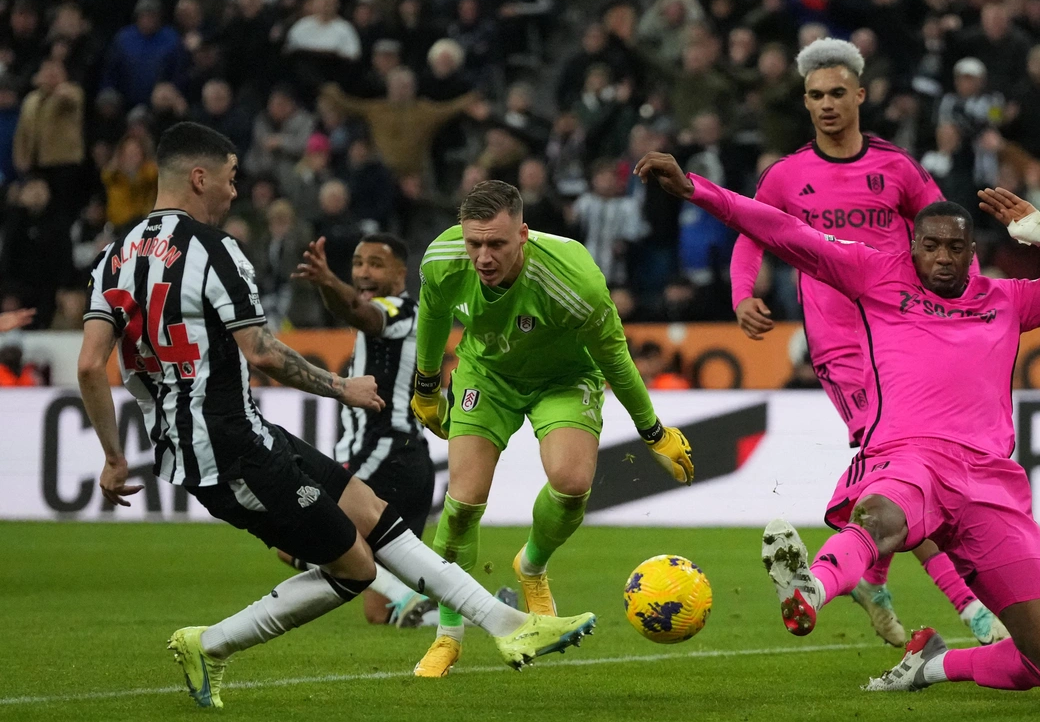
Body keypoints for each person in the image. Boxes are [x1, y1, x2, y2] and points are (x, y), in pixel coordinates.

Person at [76, 123, 596, 709]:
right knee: (356, 568)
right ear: (199, 178)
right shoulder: (214, 252)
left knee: (371, 512)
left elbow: (92, 366)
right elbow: (263, 352)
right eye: (229, 178)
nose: (233, 192)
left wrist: (115, 456)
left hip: (237, 434)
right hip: (225, 449)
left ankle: (508, 625)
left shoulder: (111, 258)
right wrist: (340, 387)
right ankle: (211, 644)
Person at [634, 149, 1040, 693]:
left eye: (955, 248)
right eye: (930, 245)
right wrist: (696, 189)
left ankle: (930, 665)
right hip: (909, 457)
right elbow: (782, 228)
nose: (942, 258)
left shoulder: (1006, 299)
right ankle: (810, 589)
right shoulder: (875, 274)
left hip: (990, 483)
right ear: (912, 246)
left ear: (972, 253)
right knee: (879, 515)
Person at [730, 38, 1006, 647]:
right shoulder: (785, 175)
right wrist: (742, 293)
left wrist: (973, 301)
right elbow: (751, 231)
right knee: (904, 468)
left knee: (903, 473)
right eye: (814, 96)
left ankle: (872, 580)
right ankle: (969, 608)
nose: (826, 105)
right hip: (842, 350)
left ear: (859, 95)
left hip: (907, 341)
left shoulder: (898, 168)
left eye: (836, 93)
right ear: (805, 103)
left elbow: (946, 239)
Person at [410, 180, 694, 676]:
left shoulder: (573, 278)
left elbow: (615, 356)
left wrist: (653, 432)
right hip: (487, 374)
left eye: (496, 243)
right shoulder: (443, 259)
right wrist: (427, 385)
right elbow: (433, 311)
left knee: (571, 482)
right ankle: (448, 634)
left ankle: (532, 566)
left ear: (523, 234)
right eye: (474, 242)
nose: (482, 256)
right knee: (462, 503)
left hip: (563, 380)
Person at [278, 232, 436, 628]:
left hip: (386, 453)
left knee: (291, 530)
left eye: (375, 264)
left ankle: (418, 598)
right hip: (398, 459)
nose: (364, 272)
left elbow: (362, 315)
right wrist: (327, 284)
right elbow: (350, 309)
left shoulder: (401, 311)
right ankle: (454, 611)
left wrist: (328, 280)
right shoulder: (378, 309)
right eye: (358, 263)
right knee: (379, 612)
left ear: (401, 272)